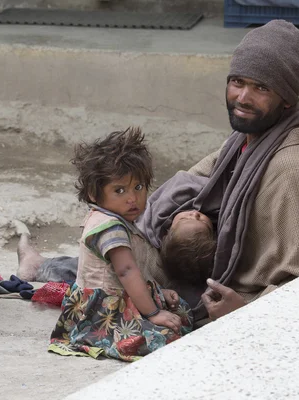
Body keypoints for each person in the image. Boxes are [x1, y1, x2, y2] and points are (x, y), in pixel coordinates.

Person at [19, 19, 299, 324]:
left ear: (286, 99)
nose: (243, 98)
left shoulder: (293, 171)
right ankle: (44, 265)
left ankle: (44, 267)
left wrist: (245, 310)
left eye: (261, 88)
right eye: (237, 82)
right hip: (216, 267)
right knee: (121, 241)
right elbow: (195, 181)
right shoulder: (253, 137)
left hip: (239, 297)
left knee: (125, 275)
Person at [48, 127, 193, 362]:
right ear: (94, 194)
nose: (132, 198)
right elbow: (126, 271)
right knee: (165, 337)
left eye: (138, 187)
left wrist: (157, 291)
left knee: (182, 312)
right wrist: (154, 312)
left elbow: (136, 270)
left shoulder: (115, 218)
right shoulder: (110, 227)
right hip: (104, 314)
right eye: (120, 190)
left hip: (122, 297)